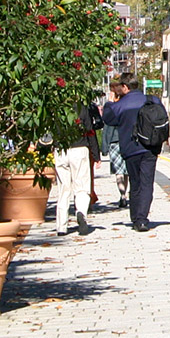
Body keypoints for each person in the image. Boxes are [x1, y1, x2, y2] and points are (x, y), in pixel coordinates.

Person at [102, 74, 154, 231]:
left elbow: (107, 118)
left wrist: (110, 102)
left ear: (125, 87)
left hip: (131, 149)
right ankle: (142, 219)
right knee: (146, 184)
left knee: (135, 182)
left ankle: (136, 218)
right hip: (150, 148)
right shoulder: (152, 100)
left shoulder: (121, 105)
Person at [55, 100, 98, 236]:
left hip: (60, 150)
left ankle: (61, 226)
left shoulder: (55, 107)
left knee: (64, 188)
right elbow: (90, 131)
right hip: (79, 148)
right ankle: (81, 212)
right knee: (82, 186)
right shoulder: (81, 108)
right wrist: (96, 154)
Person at [102, 83, 128, 209]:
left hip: (114, 142)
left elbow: (107, 127)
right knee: (127, 171)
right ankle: (126, 194)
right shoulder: (126, 105)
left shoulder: (112, 108)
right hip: (128, 141)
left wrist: (104, 147)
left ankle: (123, 195)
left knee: (119, 172)